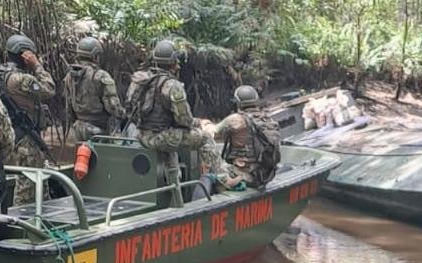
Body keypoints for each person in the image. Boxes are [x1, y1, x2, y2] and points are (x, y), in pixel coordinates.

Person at [125, 39, 217, 186]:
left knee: (174, 140)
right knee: (205, 138)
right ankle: (221, 180)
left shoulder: (139, 80)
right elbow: (185, 120)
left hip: (140, 134)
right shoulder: (172, 86)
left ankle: (174, 180)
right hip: (161, 138)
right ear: (173, 62)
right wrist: (200, 123)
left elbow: (129, 110)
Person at [0, 34, 56, 204]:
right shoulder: (22, 79)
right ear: (24, 55)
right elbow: (49, 89)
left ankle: (43, 210)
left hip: (13, 133)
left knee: (36, 178)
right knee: (27, 183)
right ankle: (22, 222)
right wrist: (37, 66)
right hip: (25, 137)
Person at [204, 85, 281, 190]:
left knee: (207, 177)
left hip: (243, 175)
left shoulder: (236, 119)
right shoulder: (267, 119)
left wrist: (205, 123)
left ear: (237, 102)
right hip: (265, 176)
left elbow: (211, 132)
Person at [63, 36, 125, 142]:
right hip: (98, 130)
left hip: (78, 127)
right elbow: (113, 107)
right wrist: (124, 114)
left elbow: (68, 106)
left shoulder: (70, 75)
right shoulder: (101, 75)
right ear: (95, 56)